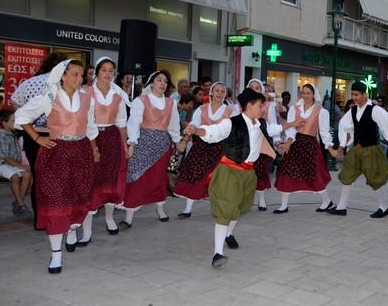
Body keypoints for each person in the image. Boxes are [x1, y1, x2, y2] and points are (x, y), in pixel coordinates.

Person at [183, 88, 302, 267]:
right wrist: (197, 130)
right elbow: (213, 132)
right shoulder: (232, 123)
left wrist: (292, 124)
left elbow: (272, 129)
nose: (263, 108)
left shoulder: (260, 123)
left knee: (238, 207)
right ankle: (217, 253)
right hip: (229, 172)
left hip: (248, 174)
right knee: (226, 208)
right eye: (260, 105)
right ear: (249, 105)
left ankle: (229, 234)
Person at [14, 59, 99, 274]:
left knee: (77, 196)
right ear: (62, 75)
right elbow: (21, 116)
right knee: (55, 201)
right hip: (55, 153)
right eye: (75, 74)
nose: (80, 79)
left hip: (81, 152)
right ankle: (55, 255)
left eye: (82, 75)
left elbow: (90, 127)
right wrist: (36, 137)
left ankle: (71, 228)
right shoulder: (49, 97)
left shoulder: (87, 98)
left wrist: (95, 149)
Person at [10, 52, 68, 230]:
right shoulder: (63, 84)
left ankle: (39, 220)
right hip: (57, 136)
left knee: (38, 177)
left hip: (33, 134)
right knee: (58, 179)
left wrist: (30, 117)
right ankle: (56, 217)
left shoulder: (29, 82)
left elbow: (14, 102)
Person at [120, 71, 185, 228]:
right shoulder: (140, 101)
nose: (162, 83)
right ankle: (129, 216)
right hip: (143, 144)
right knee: (136, 178)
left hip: (162, 146)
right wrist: (132, 143)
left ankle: (160, 209)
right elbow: (134, 122)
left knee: (159, 179)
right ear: (151, 83)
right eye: (159, 80)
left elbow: (174, 126)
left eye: (165, 81)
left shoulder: (171, 103)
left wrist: (178, 141)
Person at [327, 82, 388, 217]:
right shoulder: (353, 110)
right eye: (352, 94)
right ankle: (341, 207)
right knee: (347, 175)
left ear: (364, 94)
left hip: (371, 149)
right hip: (356, 149)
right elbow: (344, 126)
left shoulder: (375, 109)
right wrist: (342, 144)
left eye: (356, 95)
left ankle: (383, 207)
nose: (354, 97)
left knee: (374, 178)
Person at [78, 57, 130, 244]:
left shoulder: (119, 95)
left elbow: (122, 122)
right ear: (96, 72)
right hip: (90, 139)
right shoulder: (85, 93)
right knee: (90, 181)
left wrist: (125, 145)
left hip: (111, 138)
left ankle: (109, 218)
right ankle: (87, 229)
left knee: (110, 179)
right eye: (104, 70)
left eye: (111, 70)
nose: (107, 74)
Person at [173, 82, 232, 218]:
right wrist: (184, 140)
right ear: (211, 93)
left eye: (222, 91)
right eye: (216, 90)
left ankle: (220, 209)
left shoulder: (229, 111)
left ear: (225, 94)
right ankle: (187, 209)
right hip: (201, 147)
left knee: (218, 180)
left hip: (220, 148)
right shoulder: (202, 109)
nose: (219, 93)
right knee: (195, 175)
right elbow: (193, 125)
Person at [273, 84, 334, 213]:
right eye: (303, 93)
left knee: (314, 174)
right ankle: (284, 205)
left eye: (308, 93)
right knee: (286, 171)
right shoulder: (294, 109)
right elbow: (290, 129)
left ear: (313, 95)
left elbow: (324, 132)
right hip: (295, 144)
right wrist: (288, 142)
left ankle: (327, 201)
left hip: (310, 146)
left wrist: (330, 147)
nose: (305, 95)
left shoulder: (321, 111)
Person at [0, 109, 33, 218]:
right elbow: (6, 158)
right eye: (13, 121)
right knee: (14, 176)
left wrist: (21, 166)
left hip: (12, 164)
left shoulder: (12, 135)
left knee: (27, 174)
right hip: (2, 165)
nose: (16, 123)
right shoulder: (1, 137)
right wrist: (21, 166)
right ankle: (20, 204)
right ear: (4, 123)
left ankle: (18, 202)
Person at [246, 79, 278, 211]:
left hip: (261, 142)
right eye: (252, 87)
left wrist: (277, 142)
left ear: (261, 91)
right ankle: (244, 199)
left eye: (257, 88)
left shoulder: (268, 106)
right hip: (245, 142)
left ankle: (261, 199)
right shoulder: (240, 105)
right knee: (244, 170)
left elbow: (273, 125)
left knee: (260, 171)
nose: (254, 89)